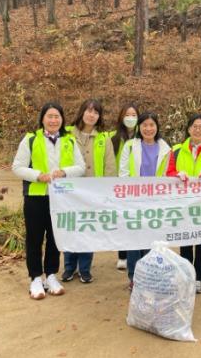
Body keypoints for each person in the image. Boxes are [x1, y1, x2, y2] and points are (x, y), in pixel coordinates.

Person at [12, 102, 86, 299]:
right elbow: (17, 167)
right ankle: (36, 278)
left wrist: (65, 172)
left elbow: (81, 167)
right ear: (43, 119)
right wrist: (38, 175)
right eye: (50, 116)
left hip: (61, 198)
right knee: (34, 238)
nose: (53, 120)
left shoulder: (69, 140)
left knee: (55, 237)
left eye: (57, 116)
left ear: (62, 119)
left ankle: (51, 275)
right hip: (36, 197)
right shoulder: (30, 139)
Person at [60, 99, 116, 284]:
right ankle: (69, 267)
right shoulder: (66, 133)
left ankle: (84, 269)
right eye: (89, 111)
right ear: (82, 112)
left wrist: (106, 191)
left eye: (96, 112)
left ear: (99, 117)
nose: (92, 115)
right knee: (70, 227)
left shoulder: (103, 138)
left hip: (93, 192)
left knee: (87, 228)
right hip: (70, 191)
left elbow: (110, 166)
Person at [166, 114, 201, 294]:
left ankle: (199, 279)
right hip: (183, 205)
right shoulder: (176, 150)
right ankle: (186, 277)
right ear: (189, 129)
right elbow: (168, 173)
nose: (198, 130)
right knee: (185, 241)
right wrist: (177, 175)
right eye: (194, 126)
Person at [119, 112, 171, 290]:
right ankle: (134, 277)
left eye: (152, 125)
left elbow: (167, 174)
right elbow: (123, 173)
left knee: (153, 239)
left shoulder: (165, 148)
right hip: (134, 200)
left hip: (156, 202)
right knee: (134, 240)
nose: (148, 129)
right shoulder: (130, 146)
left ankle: (151, 275)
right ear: (139, 127)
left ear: (157, 127)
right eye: (144, 125)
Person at [110, 103, 140, 270]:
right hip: (119, 187)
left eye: (134, 115)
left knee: (135, 221)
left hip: (137, 188)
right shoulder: (113, 138)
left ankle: (136, 254)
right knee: (122, 222)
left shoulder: (143, 136)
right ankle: (122, 255)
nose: (130, 118)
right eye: (127, 115)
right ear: (121, 117)